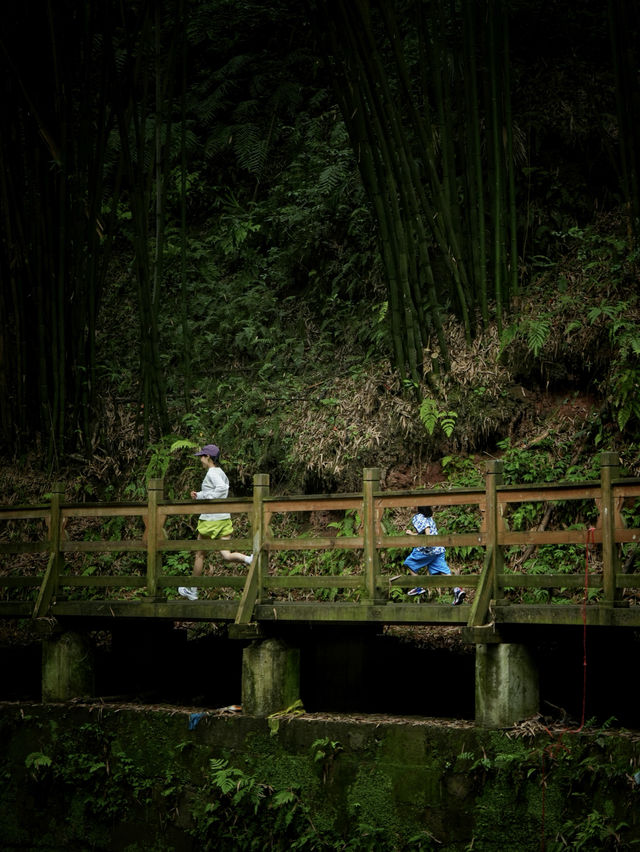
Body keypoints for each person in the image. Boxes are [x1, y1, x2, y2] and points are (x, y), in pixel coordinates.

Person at [178, 444, 253, 601]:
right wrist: (199, 495)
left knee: (199, 554)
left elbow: (219, 489)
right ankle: (249, 559)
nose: (200, 459)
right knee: (226, 555)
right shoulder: (220, 472)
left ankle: (193, 590)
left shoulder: (212, 472)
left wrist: (204, 497)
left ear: (209, 458)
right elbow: (220, 489)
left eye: (202, 456)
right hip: (223, 519)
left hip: (211, 520)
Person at [400, 505, 465, 605]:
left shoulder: (418, 517)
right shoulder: (429, 517)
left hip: (427, 549)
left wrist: (423, 537)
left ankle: (418, 587)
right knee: (444, 572)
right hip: (438, 548)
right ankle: (457, 590)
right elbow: (424, 532)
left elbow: (426, 531)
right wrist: (412, 534)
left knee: (409, 563)